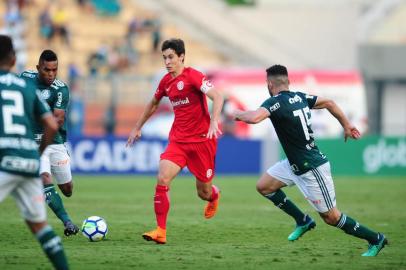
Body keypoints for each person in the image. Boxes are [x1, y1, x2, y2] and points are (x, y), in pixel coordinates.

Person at [233, 64, 388, 257]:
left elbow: (255, 118)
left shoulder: (275, 102)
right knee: (264, 186)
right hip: (294, 163)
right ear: (288, 82)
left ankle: (376, 239)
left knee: (331, 217)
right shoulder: (301, 97)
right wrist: (347, 125)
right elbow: (330, 103)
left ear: (269, 84)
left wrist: (237, 113)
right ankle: (302, 220)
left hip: (311, 167)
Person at [127, 38, 224, 244]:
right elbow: (153, 103)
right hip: (178, 141)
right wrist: (137, 127)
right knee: (162, 179)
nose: (167, 61)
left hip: (201, 142)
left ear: (181, 56)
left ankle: (214, 195)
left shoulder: (194, 77)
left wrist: (214, 121)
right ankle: (160, 231)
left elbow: (217, 96)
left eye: (171, 57)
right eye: (164, 58)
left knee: (203, 193)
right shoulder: (165, 82)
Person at [0, 35, 69, 269]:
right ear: (13, 58)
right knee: (41, 227)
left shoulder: (28, 84)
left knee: (64, 190)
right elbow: (51, 123)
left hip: (5, 160)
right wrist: (38, 153)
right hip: (29, 159)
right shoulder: (25, 86)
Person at [20, 50, 79, 236]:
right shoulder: (25, 79)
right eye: (47, 70)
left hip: (54, 141)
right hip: (33, 142)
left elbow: (57, 120)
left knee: (67, 190)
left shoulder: (61, 89)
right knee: (45, 179)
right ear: (38, 68)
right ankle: (68, 222)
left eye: (55, 70)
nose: (51, 74)